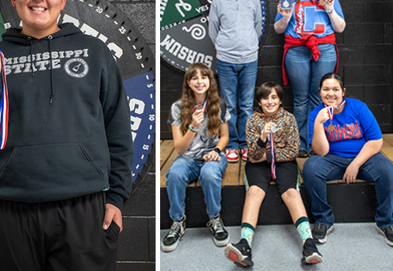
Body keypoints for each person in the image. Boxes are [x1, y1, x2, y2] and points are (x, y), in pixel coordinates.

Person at [0, 0, 133, 271]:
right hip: (10, 210)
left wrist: (116, 197)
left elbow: (117, 129)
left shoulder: (94, 52)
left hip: (84, 209)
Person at [224, 82, 323, 267]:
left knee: (291, 193)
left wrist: (266, 156)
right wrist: (262, 138)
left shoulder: (289, 119)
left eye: (274, 97)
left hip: (285, 164)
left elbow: (292, 151)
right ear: (259, 102)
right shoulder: (253, 120)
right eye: (265, 98)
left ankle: (309, 243)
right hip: (258, 167)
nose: (269, 102)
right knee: (254, 192)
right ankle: (245, 244)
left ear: (279, 100)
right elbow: (252, 155)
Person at [303, 73, 393, 246]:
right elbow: (321, 152)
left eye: (335, 89)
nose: (331, 94)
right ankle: (323, 220)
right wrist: (319, 124)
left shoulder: (358, 107)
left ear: (343, 91)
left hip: (363, 157)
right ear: (320, 92)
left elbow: (376, 140)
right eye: (326, 89)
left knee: (387, 169)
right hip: (331, 159)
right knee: (310, 168)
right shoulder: (316, 114)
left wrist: (355, 164)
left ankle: (386, 222)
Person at [275, 0, 346, 154]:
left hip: (323, 49)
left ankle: (316, 143)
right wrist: (286, 17)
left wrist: (330, 10)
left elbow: (340, 28)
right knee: (300, 99)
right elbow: (278, 29)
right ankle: (299, 144)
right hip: (297, 49)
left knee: (318, 97)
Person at [162, 62, 229, 253]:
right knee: (174, 174)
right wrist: (193, 127)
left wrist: (216, 151)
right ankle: (177, 222)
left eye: (204, 77)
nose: (200, 81)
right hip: (188, 158)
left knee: (209, 174)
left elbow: (225, 137)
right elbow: (180, 149)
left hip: (213, 155)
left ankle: (215, 219)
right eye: (195, 78)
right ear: (188, 83)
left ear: (210, 81)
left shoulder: (220, 105)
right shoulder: (177, 107)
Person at [207, 0, 262, 162]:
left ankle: (246, 144)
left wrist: (247, 45)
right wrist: (224, 46)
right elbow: (213, 31)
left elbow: (257, 27)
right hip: (225, 59)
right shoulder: (218, 2)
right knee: (229, 105)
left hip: (249, 59)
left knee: (246, 104)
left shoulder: (254, 0)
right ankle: (231, 144)